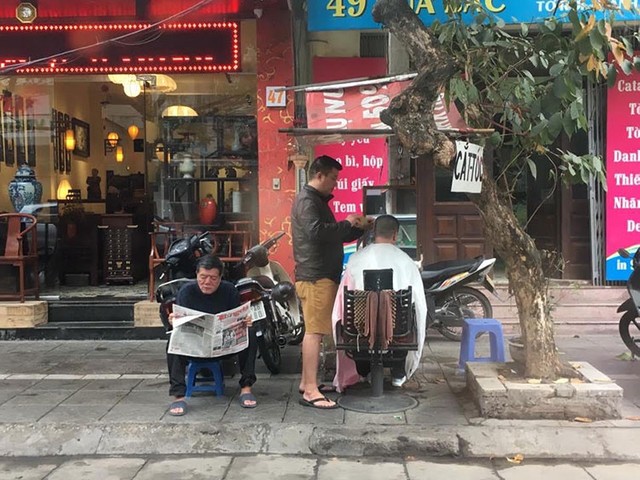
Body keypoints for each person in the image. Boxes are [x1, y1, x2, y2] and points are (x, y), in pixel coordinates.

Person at [291, 154, 370, 409]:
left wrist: (358, 228)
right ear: (320, 175)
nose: (336, 183)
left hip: (321, 275)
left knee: (315, 330)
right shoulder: (307, 201)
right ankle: (310, 390)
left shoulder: (316, 201)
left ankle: (307, 382)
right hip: (316, 276)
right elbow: (316, 233)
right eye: (333, 178)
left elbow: (331, 236)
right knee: (314, 333)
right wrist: (346, 222)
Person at [331, 214, 427, 392]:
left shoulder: (356, 259)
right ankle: (398, 373)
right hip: (397, 331)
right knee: (405, 318)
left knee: (360, 318)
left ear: (373, 232)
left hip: (360, 331)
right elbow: (419, 303)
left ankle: (365, 371)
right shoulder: (407, 262)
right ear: (395, 235)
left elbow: (342, 301)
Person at [166, 255, 259, 415]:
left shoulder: (229, 290)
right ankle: (178, 396)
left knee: (250, 332)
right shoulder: (186, 292)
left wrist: (245, 321)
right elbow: (181, 321)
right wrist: (174, 320)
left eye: (213, 278)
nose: (207, 282)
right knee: (172, 338)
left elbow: (237, 319)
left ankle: (246, 387)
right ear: (197, 275)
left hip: (224, 346)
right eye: (203, 277)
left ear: (220, 278)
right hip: (194, 346)